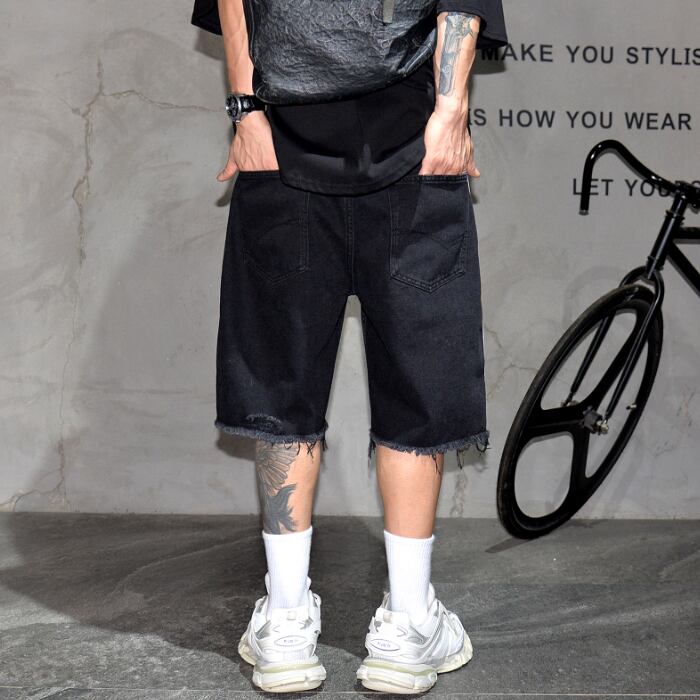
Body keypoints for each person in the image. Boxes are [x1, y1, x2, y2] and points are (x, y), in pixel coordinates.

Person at [192, 0, 508, 693]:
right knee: (416, 378)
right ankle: (407, 625)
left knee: (281, 378)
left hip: (283, 139)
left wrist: (247, 111)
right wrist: (449, 111)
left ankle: (285, 624)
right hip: (412, 141)